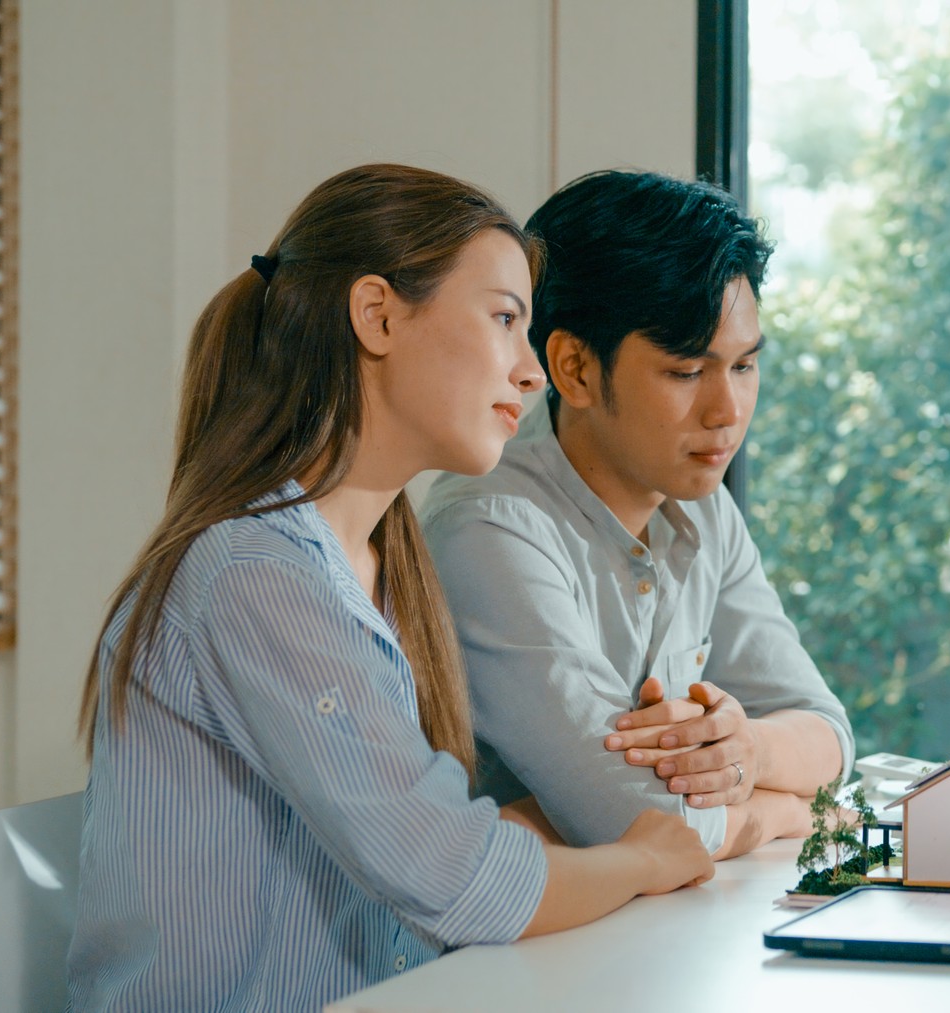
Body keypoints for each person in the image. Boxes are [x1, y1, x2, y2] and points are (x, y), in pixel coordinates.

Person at [68, 164, 714, 1011]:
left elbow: (434, 842)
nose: (531, 372)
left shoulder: (373, 564)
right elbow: (456, 876)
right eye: (505, 320)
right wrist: (647, 857)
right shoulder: (254, 572)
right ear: (377, 315)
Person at [420, 170, 852, 860]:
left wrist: (748, 750)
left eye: (744, 366)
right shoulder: (488, 526)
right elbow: (640, 821)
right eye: (686, 372)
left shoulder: (702, 506)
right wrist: (780, 812)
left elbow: (828, 735)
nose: (728, 411)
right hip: (506, 955)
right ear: (574, 368)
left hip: (649, 932)